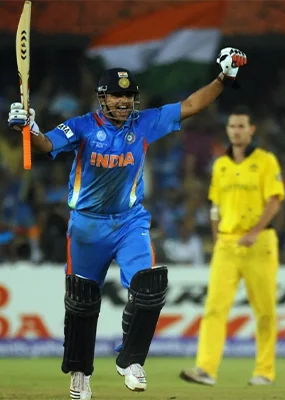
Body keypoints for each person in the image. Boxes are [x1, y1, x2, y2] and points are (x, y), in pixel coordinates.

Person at [6, 47, 248, 400]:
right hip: (87, 227)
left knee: (150, 287)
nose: (123, 101)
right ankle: (80, 373)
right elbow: (44, 145)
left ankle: (131, 360)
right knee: (82, 303)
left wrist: (224, 78)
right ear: (102, 98)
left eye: (128, 95)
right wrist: (29, 127)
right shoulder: (82, 126)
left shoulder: (144, 123)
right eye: (117, 95)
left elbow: (192, 106)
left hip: (129, 222)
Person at [180, 105, 285, 386]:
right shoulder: (220, 165)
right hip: (226, 244)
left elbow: (274, 200)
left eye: (242, 126)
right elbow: (214, 206)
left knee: (264, 310)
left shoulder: (266, 161)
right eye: (232, 126)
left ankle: (264, 371)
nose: (236, 131)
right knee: (214, 308)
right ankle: (205, 369)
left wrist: (255, 231)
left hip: (259, 243)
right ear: (227, 130)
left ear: (251, 130)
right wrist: (217, 239)